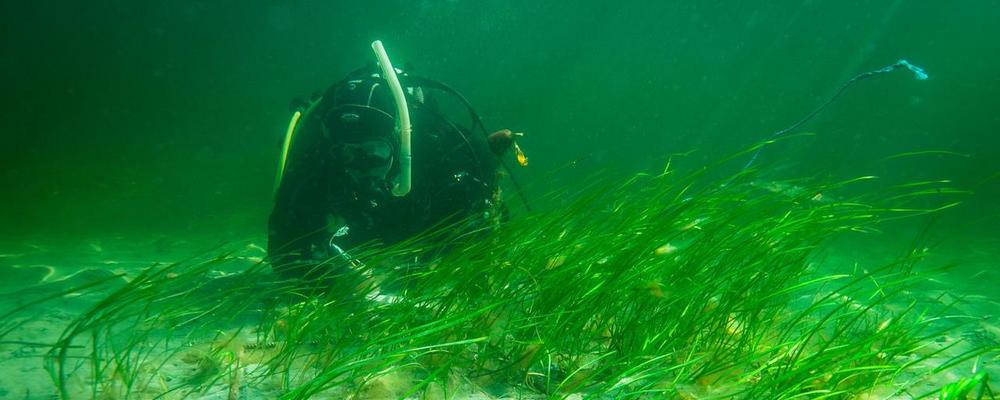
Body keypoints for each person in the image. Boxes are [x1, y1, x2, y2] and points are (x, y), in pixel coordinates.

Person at [267, 63, 524, 281]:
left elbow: (483, 236)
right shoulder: (323, 161)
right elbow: (287, 249)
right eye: (349, 153)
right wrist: (330, 283)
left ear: (399, 142)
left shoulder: (439, 150)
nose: (361, 165)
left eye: (374, 152)